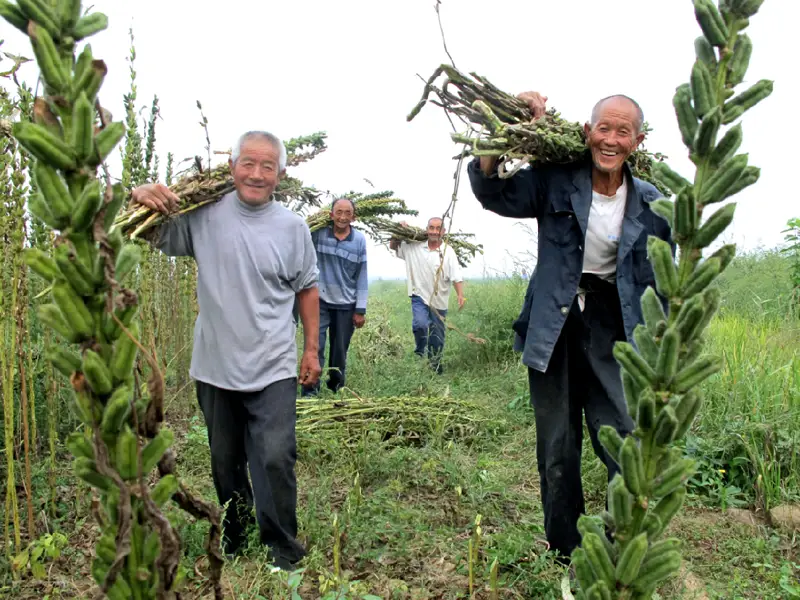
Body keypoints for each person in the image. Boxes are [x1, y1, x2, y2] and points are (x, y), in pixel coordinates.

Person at [467, 93, 673, 562]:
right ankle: (565, 549)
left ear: (638, 141)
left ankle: (624, 543)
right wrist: (508, 126)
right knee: (557, 444)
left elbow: (663, 277)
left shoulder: (653, 204)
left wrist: (660, 343)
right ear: (587, 131)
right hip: (555, 320)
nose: (612, 140)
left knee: (622, 435)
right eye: (604, 129)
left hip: (614, 324)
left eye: (624, 132)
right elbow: (492, 191)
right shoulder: (557, 182)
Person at [131, 130, 321, 570]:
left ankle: (281, 548)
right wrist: (140, 195)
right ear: (231, 166)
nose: (256, 174)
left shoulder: (292, 228)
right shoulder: (204, 216)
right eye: (248, 163)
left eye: (267, 166)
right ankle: (236, 537)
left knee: (275, 455)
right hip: (215, 363)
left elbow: (308, 289)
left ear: (281, 174)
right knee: (224, 459)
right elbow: (150, 230)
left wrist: (310, 350)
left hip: (272, 362)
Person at [301, 197, 368, 396]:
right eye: (338, 212)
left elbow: (362, 275)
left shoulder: (358, 240)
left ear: (353, 217)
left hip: (346, 304)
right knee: (315, 346)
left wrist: (360, 309)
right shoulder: (319, 234)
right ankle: (310, 391)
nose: (342, 217)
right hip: (319, 302)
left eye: (347, 213)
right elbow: (301, 243)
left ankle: (335, 388)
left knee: (339, 352)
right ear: (330, 215)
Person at [389, 217, 465, 374]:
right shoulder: (415, 247)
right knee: (420, 325)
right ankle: (419, 351)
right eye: (431, 228)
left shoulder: (447, 252)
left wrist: (460, 295)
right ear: (426, 229)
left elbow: (456, 276)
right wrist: (398, 231)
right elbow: (394, 246)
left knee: (437, 337)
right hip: (418, 297)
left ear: (443, 232)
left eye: (438, 228)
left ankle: (435, 366)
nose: (434, 231)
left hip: (439, 301)